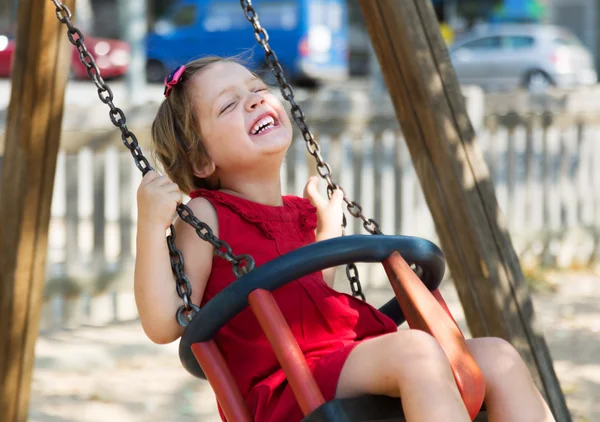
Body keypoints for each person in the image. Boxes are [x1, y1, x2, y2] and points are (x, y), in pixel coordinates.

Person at [134, 56, 555, 422]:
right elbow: (164, 323)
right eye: (229, 104)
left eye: (257, 88)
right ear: (203, 160)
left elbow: (315, 296)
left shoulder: (300, 212)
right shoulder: (207, 214)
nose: (255, 99)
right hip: (286, 387)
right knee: (416, 351)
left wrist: (328, 230)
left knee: (498, 356)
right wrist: (152, 226)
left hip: (342, 360)